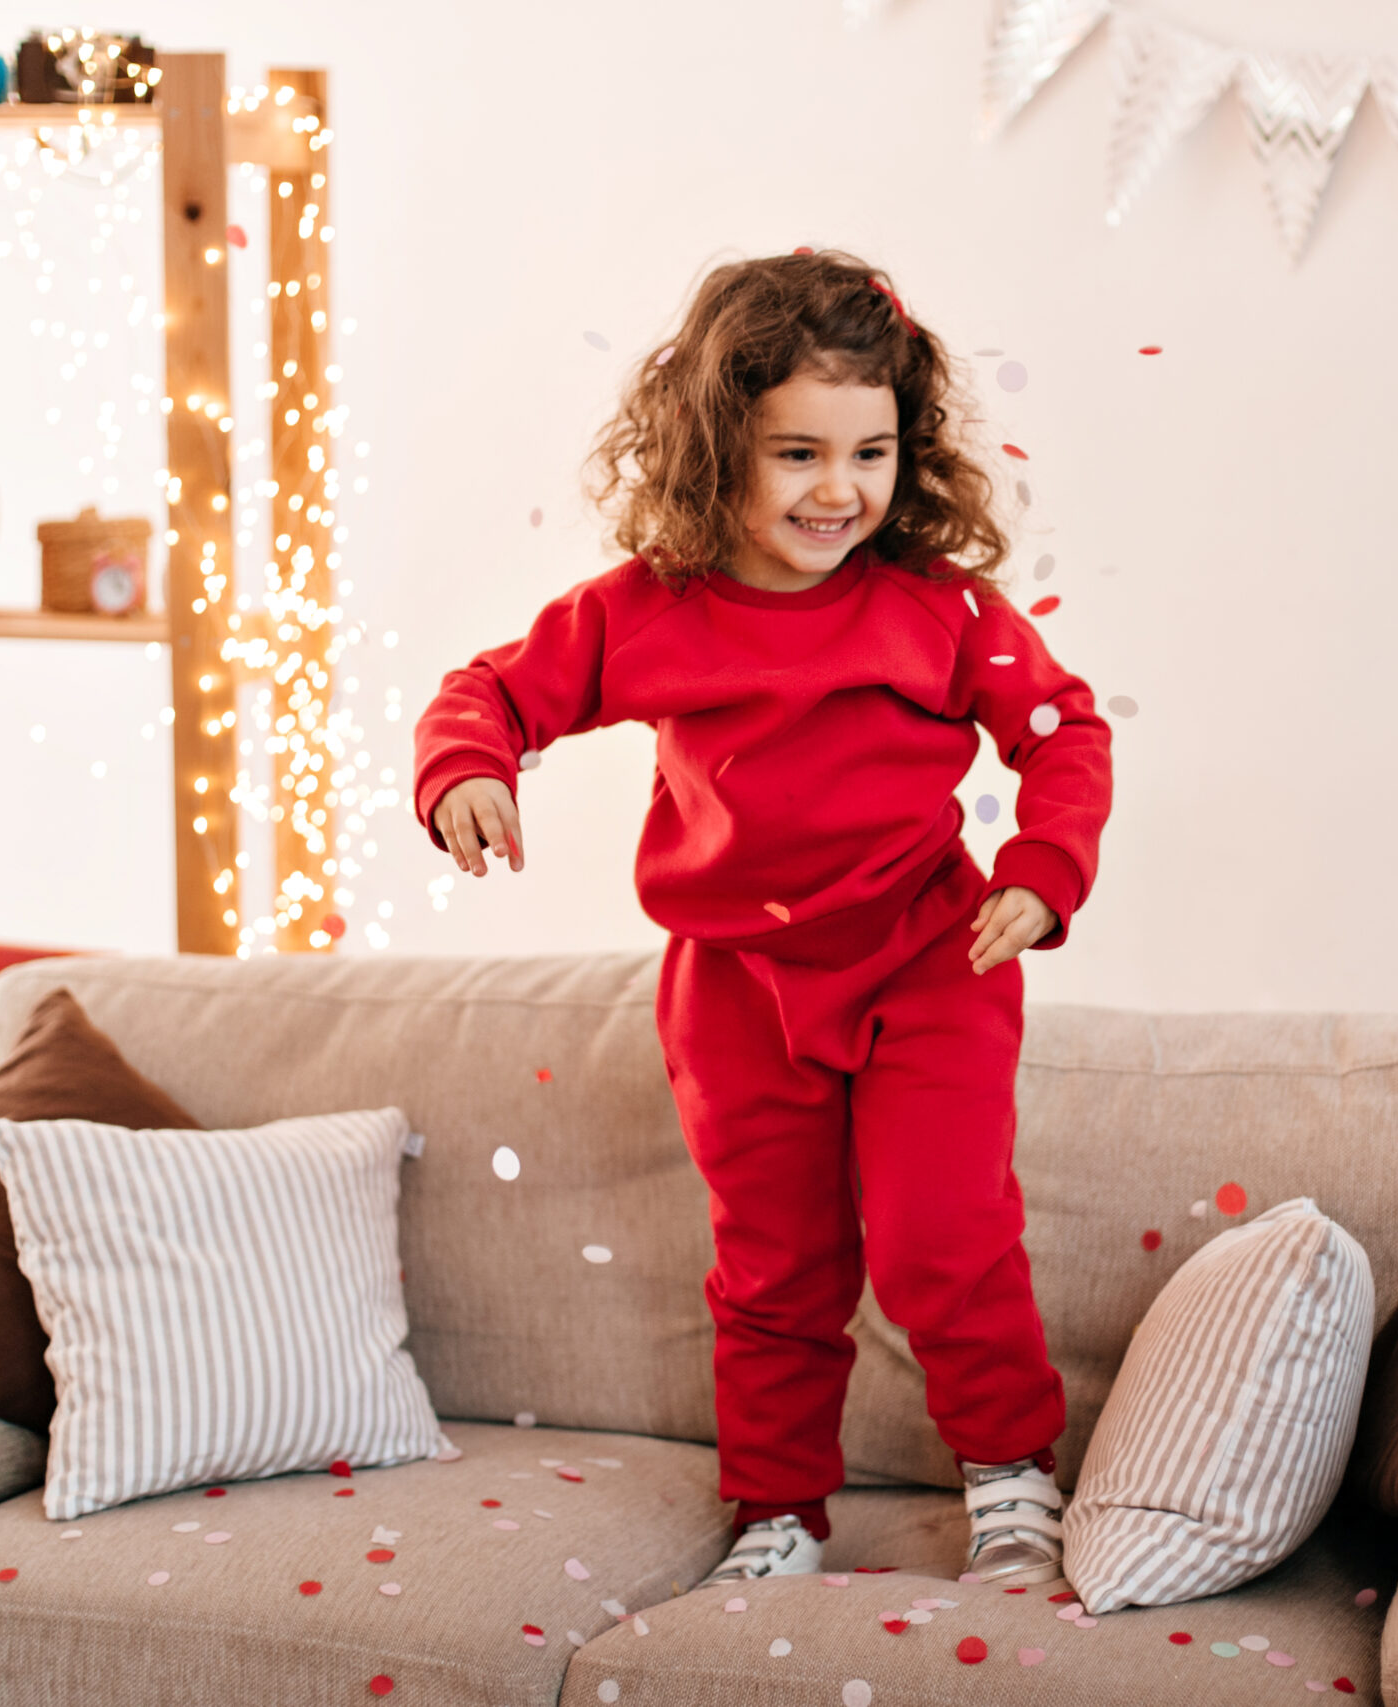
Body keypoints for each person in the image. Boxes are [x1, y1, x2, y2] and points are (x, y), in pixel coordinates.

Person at [413, 249, 1112, 1589]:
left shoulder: (942, 608)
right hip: (738, 993)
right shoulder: (643, 610)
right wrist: (468, 772)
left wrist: (1041, 867)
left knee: (939, 1243)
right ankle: (778, 1510)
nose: (840, 491)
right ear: (713, 442)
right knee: (774, 1271)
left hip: (931, 963)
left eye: (872, 451)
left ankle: (1013, 1478)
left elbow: (1063, 734)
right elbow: (489, 692)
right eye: (798, 452)